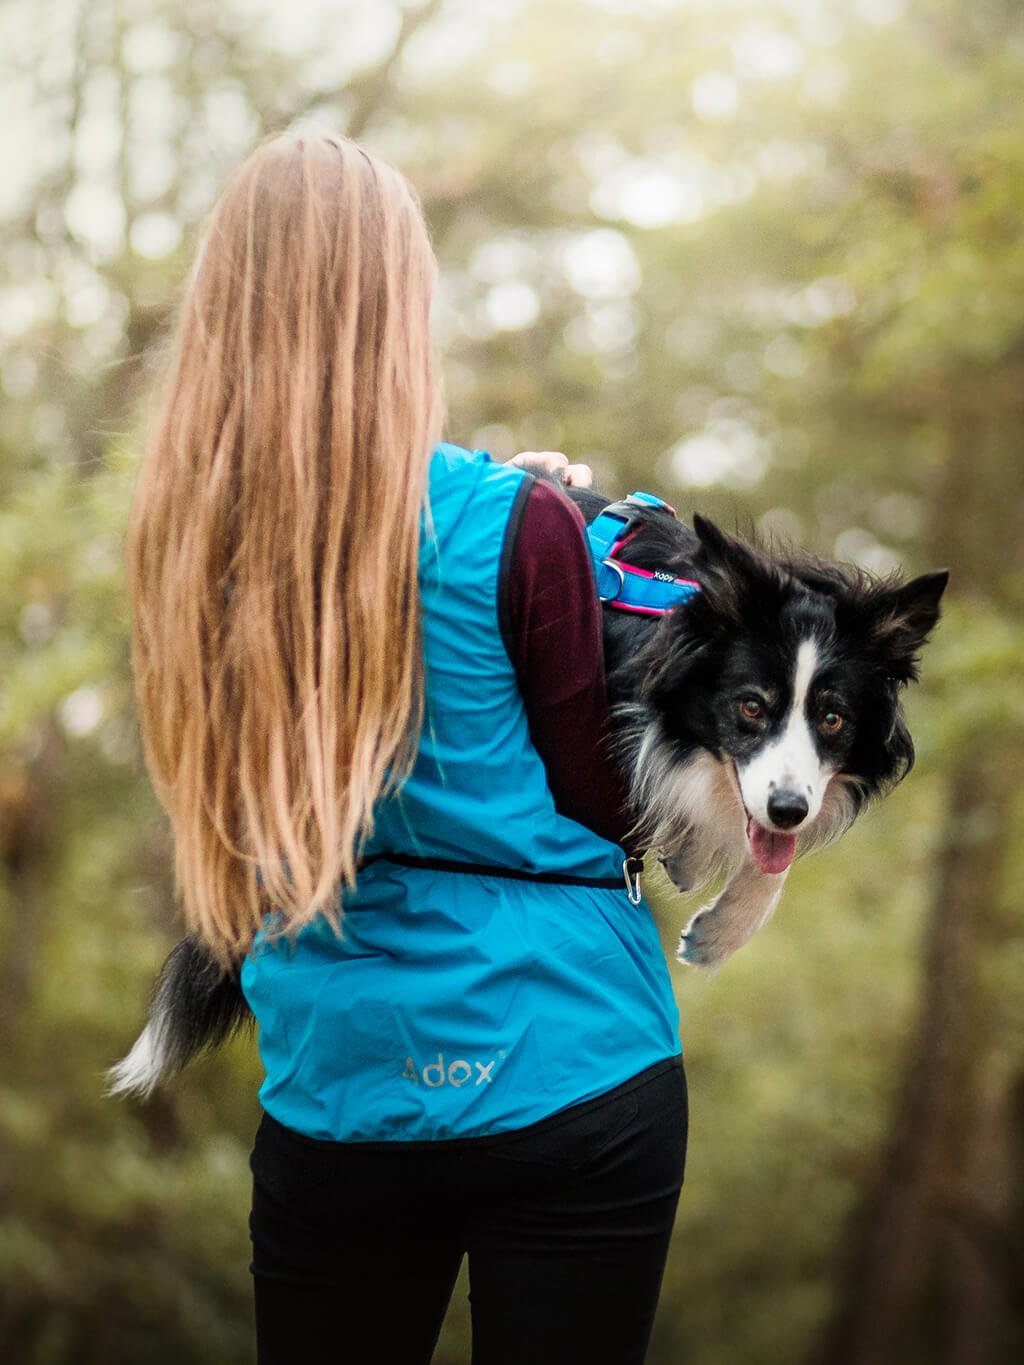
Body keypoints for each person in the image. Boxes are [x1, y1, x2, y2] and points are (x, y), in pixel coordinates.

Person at [127, 130, 686, 1365]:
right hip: (569, 1071)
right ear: (398, 307)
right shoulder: (512, 523)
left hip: (338, 1089)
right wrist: (558, 533)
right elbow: (611, 802)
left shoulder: (186, 547)